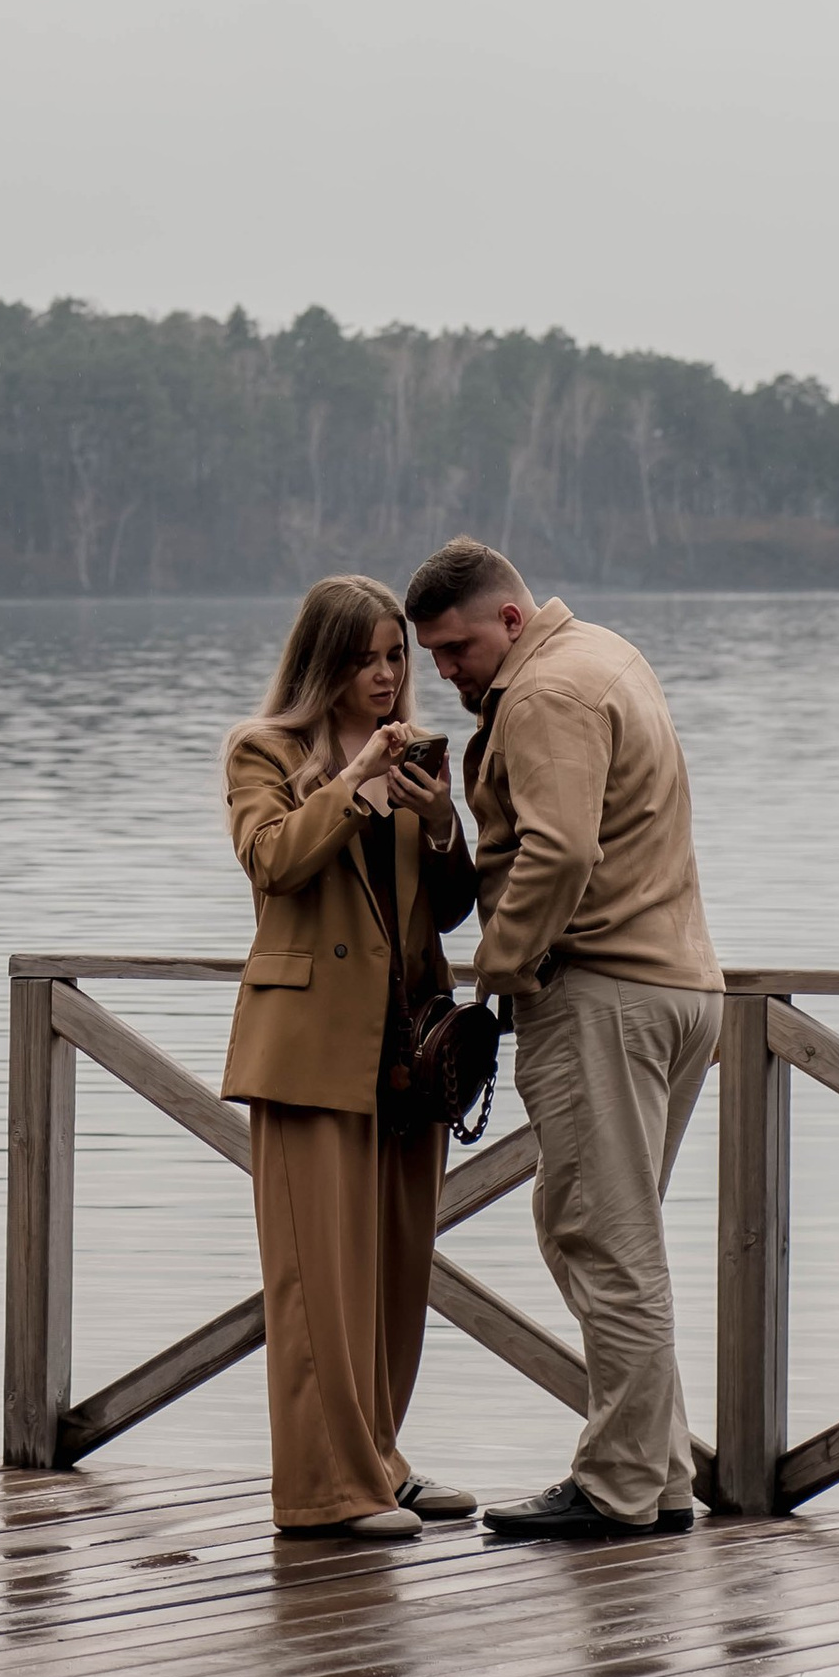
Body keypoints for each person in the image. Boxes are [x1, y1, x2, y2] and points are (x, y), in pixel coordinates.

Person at [405, 538, 723, 1546]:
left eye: (456, 649)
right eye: (431, 654)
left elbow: (558, 849)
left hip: (602, 995)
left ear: (509, 619)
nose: (443, 671)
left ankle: (619, 1487)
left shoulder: (544, 693)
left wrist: (496, 972)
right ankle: (658, 1477)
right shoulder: (608, 655)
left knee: (603, 1244)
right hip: (677, 986)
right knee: (608, 1235)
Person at [222, 575, 483, 1541]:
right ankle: (324, 1492)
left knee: (392, 1277)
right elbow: (274, 861)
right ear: (322, 663)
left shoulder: (413, 754)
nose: (385, 674)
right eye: (365, 657)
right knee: (316, 1284)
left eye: (395, 655)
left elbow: (448, 908)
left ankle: (381, 1461)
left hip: (407, 1049)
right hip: (307, 1050)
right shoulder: (265, 752)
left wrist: (443, 819)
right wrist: (353, 785)